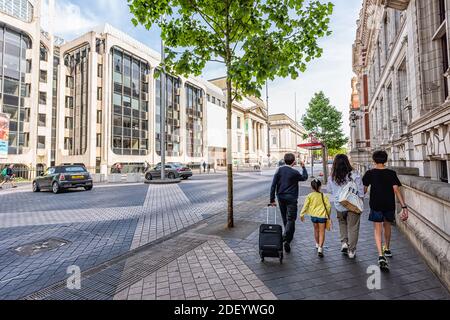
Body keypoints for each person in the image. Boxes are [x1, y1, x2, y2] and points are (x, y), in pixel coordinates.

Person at [362, 150, 409, 269]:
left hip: (376, 204)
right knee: (387, 226)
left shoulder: (370, 173)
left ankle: (380, 255)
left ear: (374, 160)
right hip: (389, 204)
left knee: (377, 229)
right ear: (385, 160)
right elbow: (396, 190)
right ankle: (387, 249)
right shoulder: (391, 173)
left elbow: (364, 190)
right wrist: (404, 206)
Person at [327, 154, 364, 259]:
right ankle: (351, 250)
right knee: (353, 227)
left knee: (342, 223)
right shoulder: (355, 174)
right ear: (347, 162)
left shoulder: (332, 177)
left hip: (339, 205)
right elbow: (361, 192)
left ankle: (344, 242)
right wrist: (360, 202)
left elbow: (329, 190)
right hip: (353, 205)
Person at [270, 153, 308, 253]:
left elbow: (273, 185)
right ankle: (286, 238)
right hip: (291, 198)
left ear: (284, 160)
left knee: (285, 217)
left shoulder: (279, 170)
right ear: (294, 162)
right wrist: (303, 167)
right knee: (291, 219)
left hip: (281, 197)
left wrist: (272, 199)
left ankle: (287, 236)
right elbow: (305, 177)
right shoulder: (294, 172)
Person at [300, 179, 332, 257]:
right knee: (322, 232)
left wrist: (302, 214)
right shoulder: (324, 195)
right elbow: (329, 206)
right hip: (322, 216)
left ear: (311, 187)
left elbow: (305, 205)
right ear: (320, 186)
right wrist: (328, 215)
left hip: (313, 216)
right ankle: (320, 248)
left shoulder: (309, 196)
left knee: (316, 230)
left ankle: (317, 244)